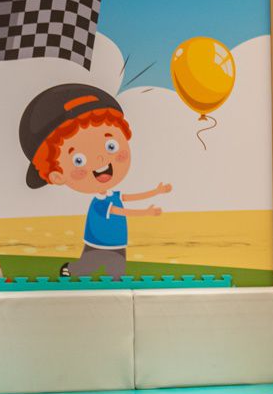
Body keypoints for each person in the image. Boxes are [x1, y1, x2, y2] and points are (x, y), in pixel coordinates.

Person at [17, 84, 172, 279]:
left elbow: (127, 198)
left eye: (111, 145)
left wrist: (156, 191)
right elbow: (118, 211)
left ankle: (115, 282)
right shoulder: (100, 203)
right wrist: (145, 212)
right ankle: (70, 269)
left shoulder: (112, 195)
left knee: (117, 270)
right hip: (99, 243)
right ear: (57, 175)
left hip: (116, 241)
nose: (100, 159)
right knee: (87, 266)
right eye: (78, 160)